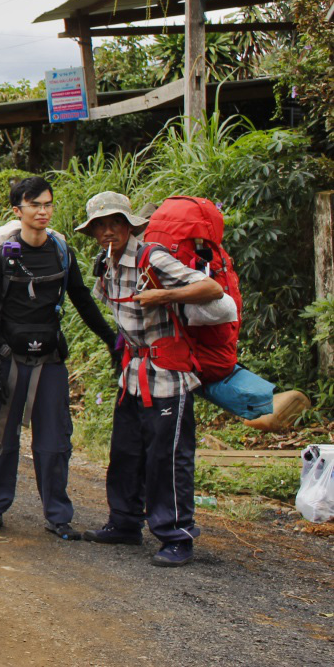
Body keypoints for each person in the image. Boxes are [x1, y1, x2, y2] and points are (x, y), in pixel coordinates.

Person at [78, 192, 223, 567]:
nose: (109, 231)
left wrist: (164, 295)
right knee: (125, 452)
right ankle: (124, 523)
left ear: (129, 225)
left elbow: (211, 289)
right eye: (101, 225)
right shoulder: (105, 263)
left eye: (116, 223)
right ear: (93, 231)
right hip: (133, 373)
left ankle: (177, 536)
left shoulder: (152, 257)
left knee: (167, 458)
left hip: (169, 376)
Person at [0, 176, 116, 540]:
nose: (43, 211)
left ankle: (57, 515)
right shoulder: (0, 259)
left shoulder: (60, 252)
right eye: (35, 204)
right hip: (8, 359)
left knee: (54, 442)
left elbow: (82, 299)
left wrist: (111, 339)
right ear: (17, 210)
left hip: (50, 360)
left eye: (47, 204)